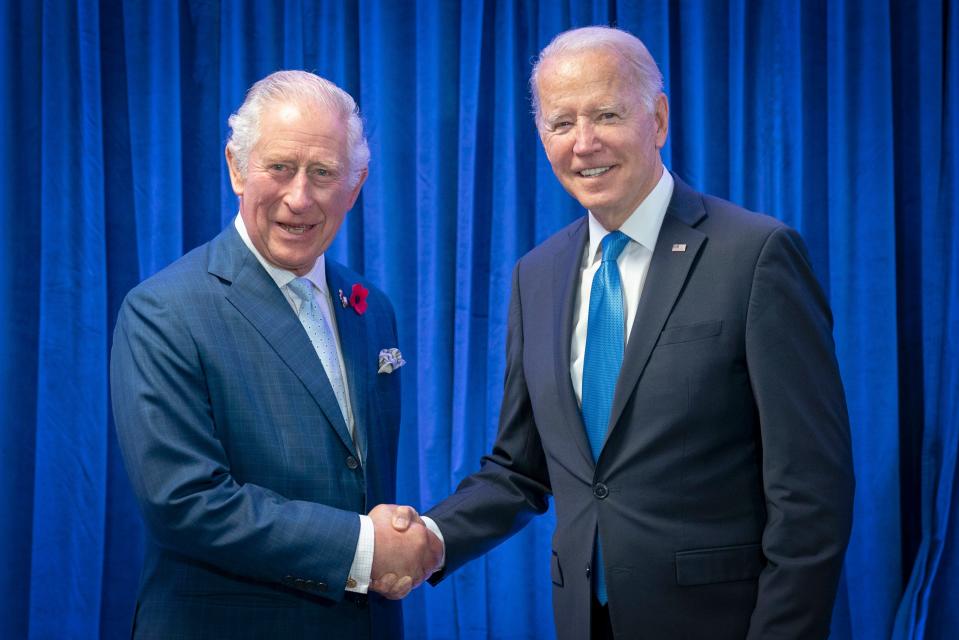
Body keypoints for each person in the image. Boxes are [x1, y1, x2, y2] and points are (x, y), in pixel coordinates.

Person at [413, 26, 855, 639]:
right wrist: (429, 538)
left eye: (606, 114)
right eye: (561, 123)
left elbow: (811, 494)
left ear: (659, 118)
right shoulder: (535, 275)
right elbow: (520, 467)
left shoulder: (756, 255)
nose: (584, 143)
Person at [110, 70, 441, 639]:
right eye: (280, 168)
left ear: (355, 185)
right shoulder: (163, 310)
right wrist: (366, 547)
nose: (300, 197)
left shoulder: (371, 308)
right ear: (237, 168)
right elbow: (184, 501)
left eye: (323, 173)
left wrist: (413, 541)